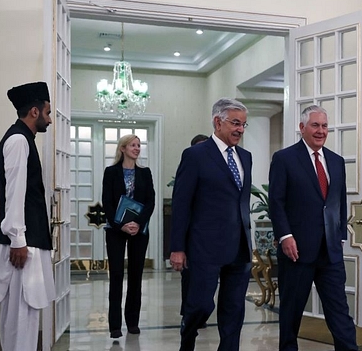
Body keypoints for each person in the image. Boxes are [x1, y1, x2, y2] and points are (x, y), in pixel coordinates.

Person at [269, 105, 358, 351]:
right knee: (291, 314)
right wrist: (285, 235)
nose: (321, 131)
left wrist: (340, 237)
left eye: (324, 126)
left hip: (330, 253)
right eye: (315, 125)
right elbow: (276, 202)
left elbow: (338, 203)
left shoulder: (337, 162)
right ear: (302, 128)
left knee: (339, 312)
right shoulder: (284, 159)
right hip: (296, 251)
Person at [170, 98, 253, 351]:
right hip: (204, 248)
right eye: (235, 123)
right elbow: (181, 204)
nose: (239, 129)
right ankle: (188, 338)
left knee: (234, 309)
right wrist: (178, 248)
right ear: (218, 122)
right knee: (200, 306)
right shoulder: (195, 155)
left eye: (243, 125)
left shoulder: (246, 157)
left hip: (239, 247)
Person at [0, 81, 56, 351]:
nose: (50, 120)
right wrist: (17, 239)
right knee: (20, 316)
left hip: (27, 241)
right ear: (35, 112)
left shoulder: (23, 139)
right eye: (48, 113)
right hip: (22, 244)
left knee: (26, 315)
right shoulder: (18, 140)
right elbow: (14, 192)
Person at [102, 134, 156, 339]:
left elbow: (150, 201)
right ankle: (114, 325)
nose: (137, 148)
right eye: (133, 145)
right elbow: (106, 202)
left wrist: (137, 223)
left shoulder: (145, 173)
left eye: (139, 145)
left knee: (136, 275)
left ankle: (132, 321)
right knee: (116, 275)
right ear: (123, 148)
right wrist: (121, 225)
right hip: (116, 230)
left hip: (139, 230)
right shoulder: (111, 172)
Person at [179, 133, 209, 328]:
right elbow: (182, 204)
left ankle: (201, 314)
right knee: (189, 278)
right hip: (192, 235)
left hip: (213, 238)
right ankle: (187, 313)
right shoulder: (190, 163)